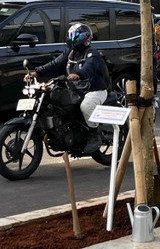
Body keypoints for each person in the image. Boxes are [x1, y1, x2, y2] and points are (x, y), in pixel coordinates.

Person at [33, 23, 109, 154]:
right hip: (76, 90)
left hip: (94, 90)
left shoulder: (92, 54)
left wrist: (78, 75)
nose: (72, 38)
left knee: (86, 106)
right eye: (71, 35)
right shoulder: (70, 53)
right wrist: (37, 72)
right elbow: (55, 64)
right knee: (56, 102)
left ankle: (94, 134)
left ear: (85, 38)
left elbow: (88, 68)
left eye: (75, 36)